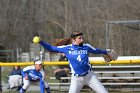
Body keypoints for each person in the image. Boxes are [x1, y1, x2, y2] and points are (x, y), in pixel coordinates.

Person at [33, 31, 109, 93]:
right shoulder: (67, 48)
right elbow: (51, 48)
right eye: (79, 38)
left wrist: (106, 52)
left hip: (90, 76)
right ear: (73, 40)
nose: (82, 39)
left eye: (82, 37)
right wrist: (41, 41)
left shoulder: (86, 47)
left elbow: (96, 50)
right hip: (76, 79)